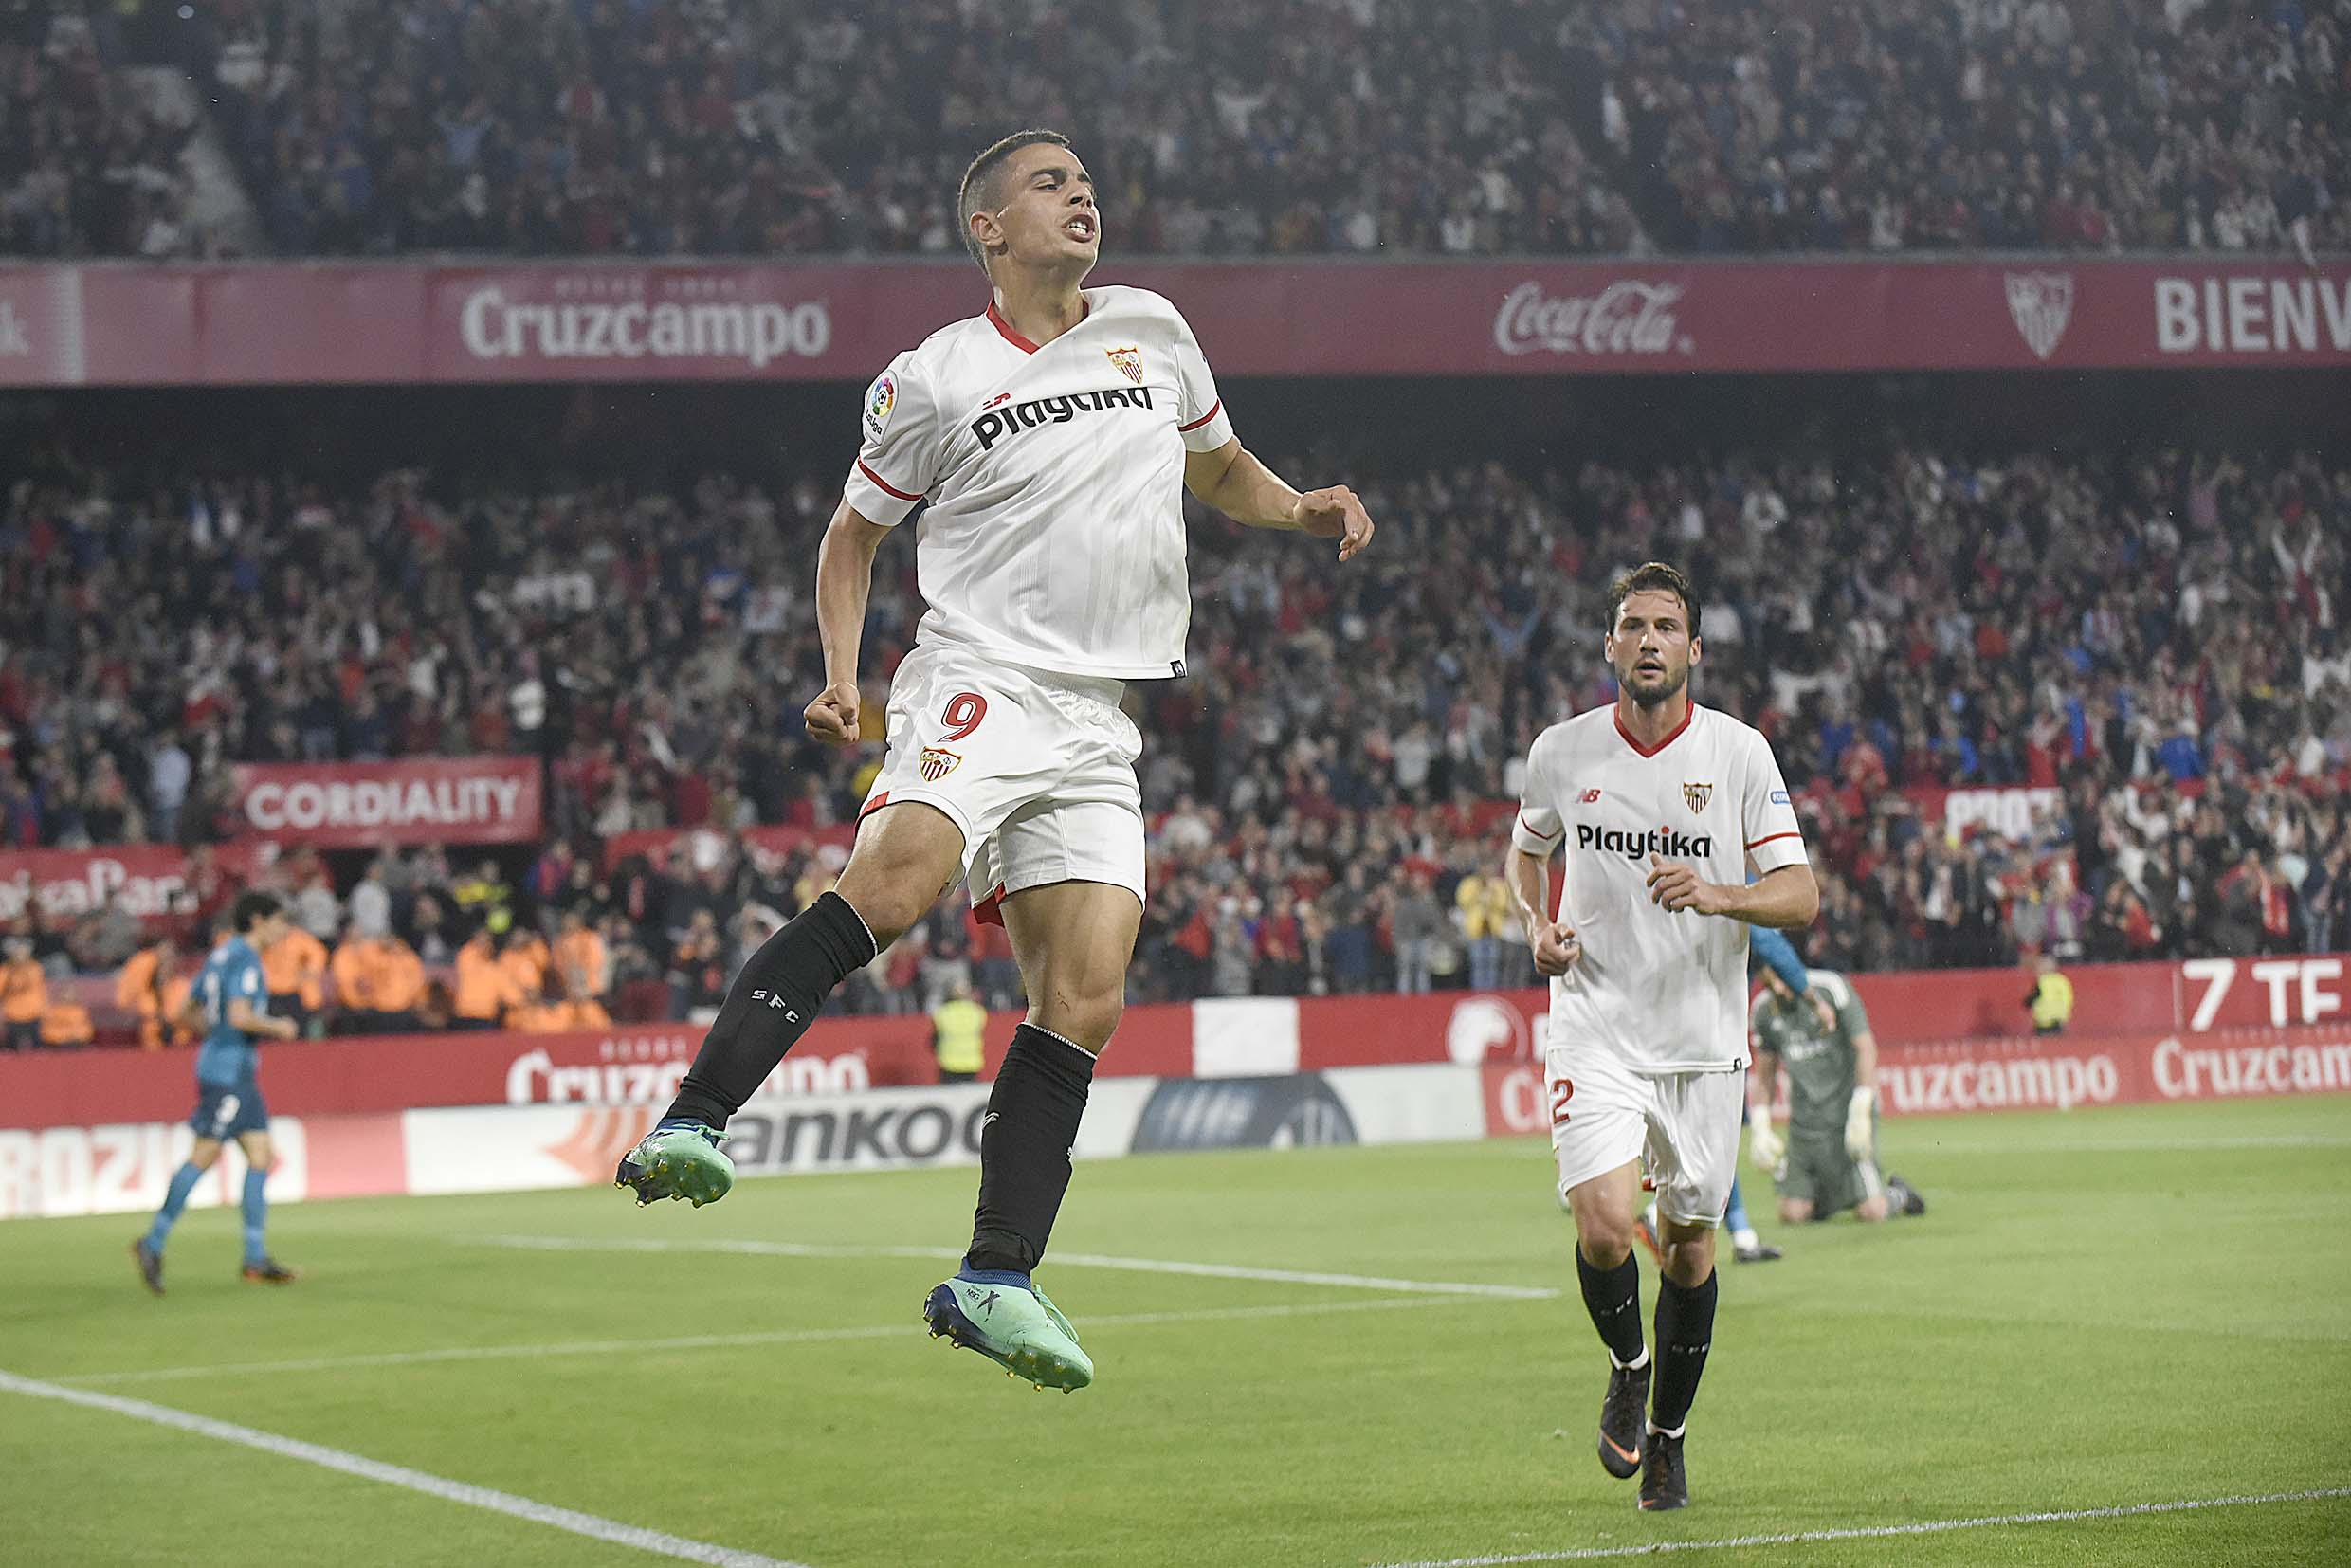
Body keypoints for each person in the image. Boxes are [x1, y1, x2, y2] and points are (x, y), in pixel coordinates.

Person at [613, 127, 1375, 1395]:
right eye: (1049, 184)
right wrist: (844, 677)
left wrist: (1301, 508)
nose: (1081, 197)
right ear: (989, 227)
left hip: (1096, 715)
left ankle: (995, 1275)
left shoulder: (1153, 328)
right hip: (981, 674)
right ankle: (693, 1116)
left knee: (1088, 992)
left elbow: (1221, 467)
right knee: (899, 879)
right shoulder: (936, 375)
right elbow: (850, 538)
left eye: (1084, 181)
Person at [1504, 562, 1817, 1512]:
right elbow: (1527, 853)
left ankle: (1670, 1435)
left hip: (1701, 1040)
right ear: (1609, 646)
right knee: (1602, 1225)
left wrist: (1721, 892)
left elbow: (1799, 896)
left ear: (1691, 649)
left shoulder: (1737, 754)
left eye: (1664, 626)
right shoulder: (1561, 751)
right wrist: (1533, 923)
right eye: (1632, 625)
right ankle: (1627, 1363)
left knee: (1686, 1248)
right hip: (1594, 1026)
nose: (1647, 640)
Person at [130, 893, 301, 1294]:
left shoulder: (221, 955)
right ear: (257, 920)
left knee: (261, 1156)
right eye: (279, 920)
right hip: (229, 1074)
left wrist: (216, 1037)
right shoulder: (246, 961)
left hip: (231, 1069)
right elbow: (240, 1016)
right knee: (205, 1154)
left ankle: (255, 1257)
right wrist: (279, 1027)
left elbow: (186, 1012)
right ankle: (152, 1242)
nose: (284, 929)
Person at [1748, 958, 1925, 1228]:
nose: (1779, 989)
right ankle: (1828, 1198)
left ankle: (1899, 1195)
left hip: (1846, 1115)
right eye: (1770, 984)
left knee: (1872, 1212)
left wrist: (1862, 1107)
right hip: (1804, 1126)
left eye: (1781, 979)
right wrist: (1760, 1126)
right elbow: (1765, 1075)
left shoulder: (1831, 988)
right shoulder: (1763, 1010)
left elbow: (1864, 1047)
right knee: (1793, 1215)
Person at [331, 924, 428, 1035]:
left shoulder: (405, 955)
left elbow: (416, 979)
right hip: (378, 1008)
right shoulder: (371, 954)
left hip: (404, 1008)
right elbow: (362, 978)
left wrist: (412, 998)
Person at [931, 978, 988, 1083]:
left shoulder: (943, 1013)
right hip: (972, 1063)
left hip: (949, 1063)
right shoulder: (978, 1012)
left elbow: (934, 1039)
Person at [1, 935, 48, 1051]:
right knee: (13, 1049)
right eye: (18, 952)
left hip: (34, 1012)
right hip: (13, 1014)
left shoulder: (35, 967)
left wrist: (45, 1008)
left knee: (38, 1049)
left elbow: (40, 989)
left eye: (23, 951)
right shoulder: (5, 970)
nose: (20, 955)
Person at [2024, 951, 2073, 1034]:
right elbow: (2068, 999)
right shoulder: (2062, 980)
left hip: (2043, 1022)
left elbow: (2032, 998)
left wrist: (2027, 1003)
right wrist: (2064, 1016)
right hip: (2058, 1021)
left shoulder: (2042, 981)